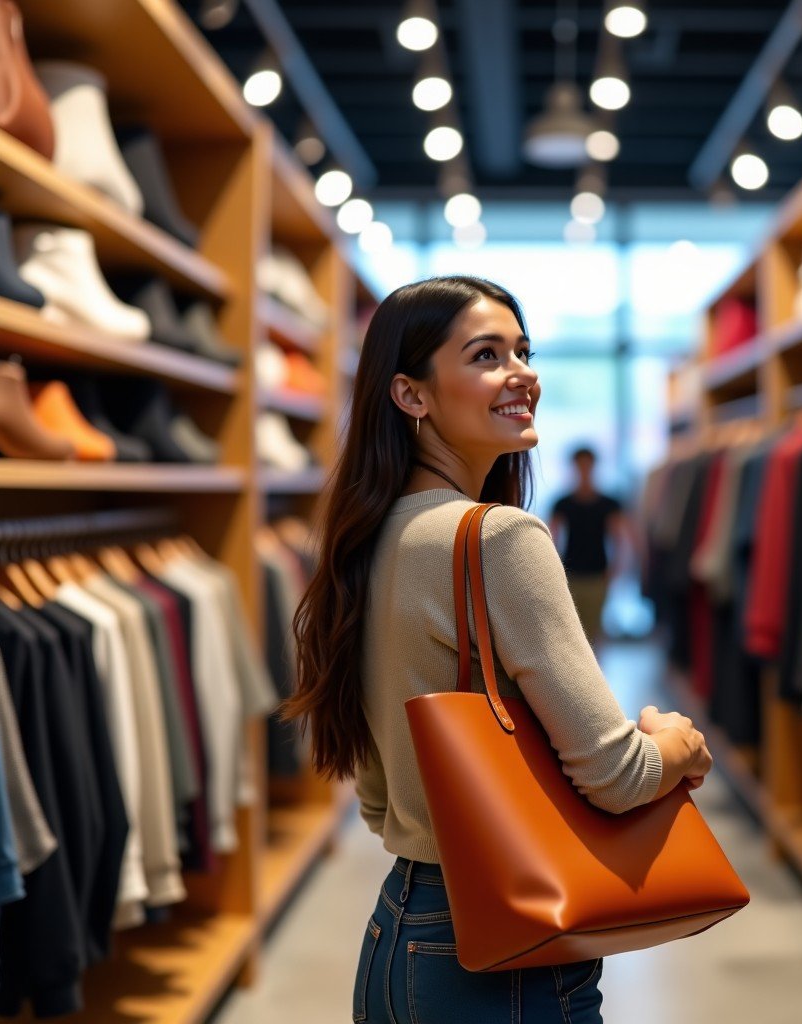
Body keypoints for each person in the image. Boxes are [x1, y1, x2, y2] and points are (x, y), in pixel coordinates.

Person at [282, 276, 713, 1024]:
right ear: (411, 395)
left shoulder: (371, 539)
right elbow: (616, 774)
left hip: (401, 931)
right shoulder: (497, 537)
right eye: (486, 355)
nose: (523, 373)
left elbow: (380, 797)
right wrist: (675, 744)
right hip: (502, 955)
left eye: (522, 350)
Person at [550, 447, 628, 645]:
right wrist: (554, 571)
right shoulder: (562, 503)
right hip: (571, 574)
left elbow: (618, 538)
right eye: (580, 465)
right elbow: (552, 538)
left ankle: (594, 674)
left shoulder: (608, 503)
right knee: (571, 630)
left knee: (594, 630)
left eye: (587, 465)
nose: (584, 470)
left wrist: (616, 568)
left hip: (597, 574)